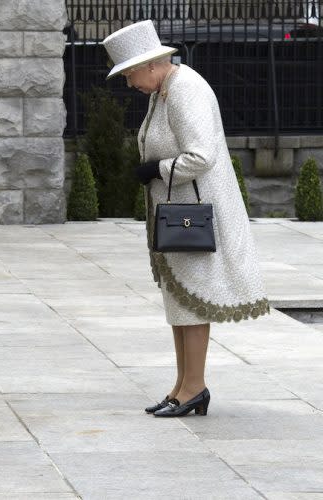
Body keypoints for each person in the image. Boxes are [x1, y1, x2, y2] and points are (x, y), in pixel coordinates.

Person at [102, 21, 270, 417]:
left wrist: (156, 169)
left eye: (129, 73)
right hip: (177, 212)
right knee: (180, 300)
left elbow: (201, 156)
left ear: (151, 64)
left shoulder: (183, 91)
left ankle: (193, 387)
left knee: (192, 301)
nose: (128, 82)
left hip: (194, 215)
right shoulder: (163, 90)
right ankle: (183, 385)